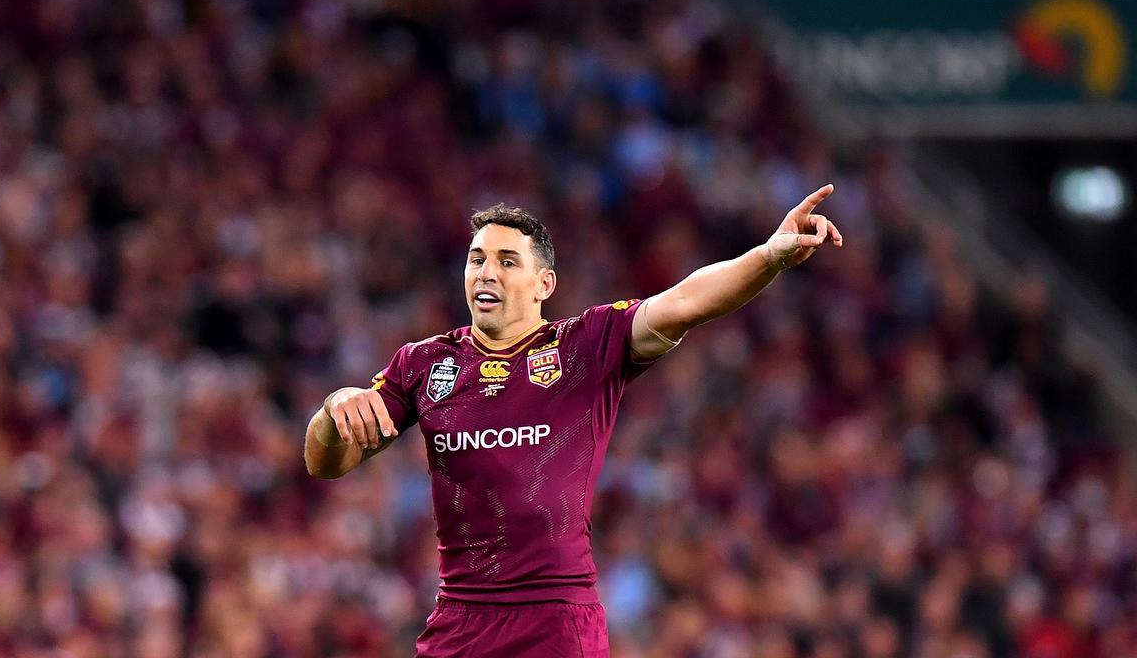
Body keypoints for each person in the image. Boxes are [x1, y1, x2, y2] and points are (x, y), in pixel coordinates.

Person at [303, 186, 844, 657]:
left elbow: (685, 302)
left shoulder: (586, 346)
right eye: (476, 259)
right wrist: (333, 409)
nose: (486, 272)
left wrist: (769, 256)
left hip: (556, 621)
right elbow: (326, 463)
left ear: (544, 284)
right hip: (460, 623)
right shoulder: (424, 364)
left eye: (507, 261)